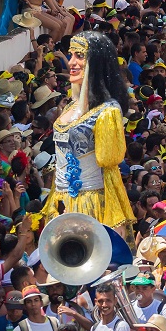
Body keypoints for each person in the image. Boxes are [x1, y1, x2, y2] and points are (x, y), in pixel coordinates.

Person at [42, 32, 135, 238]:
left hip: (91, 203)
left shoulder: (107, 111)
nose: (71, 62)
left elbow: (109, 164)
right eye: (71, 55)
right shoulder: (70, 106)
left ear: (97, 62)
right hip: (61, 201)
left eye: (80, 56)